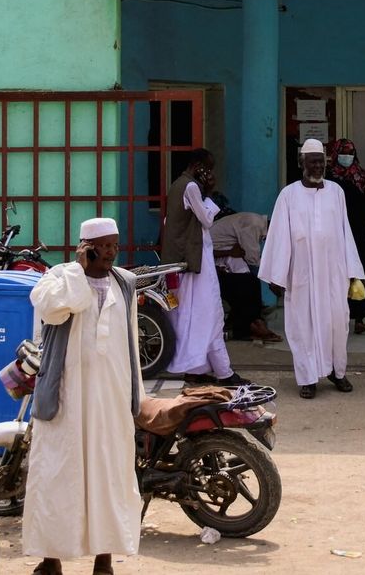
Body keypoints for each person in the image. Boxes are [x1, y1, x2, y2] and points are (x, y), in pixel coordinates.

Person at [24, 217, 144, 575]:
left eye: (114, 246)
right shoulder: (59, 278)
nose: (110, 253)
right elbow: (53, 309)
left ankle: (104, 559)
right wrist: (79, 269)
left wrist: (134, 395)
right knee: (59, 475)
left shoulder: (125, 283)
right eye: (103, 246)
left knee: (108, 476)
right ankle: (50, 560)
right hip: (67, 399)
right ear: (85, 245)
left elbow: (131, 344)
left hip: (110, 399)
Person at [259, 139, 365, 399]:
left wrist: (353, 271)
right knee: (302, 327)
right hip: (302, 274)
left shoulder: (336, 192)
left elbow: (345, 232)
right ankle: (307, 378)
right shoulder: (289, 194)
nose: (318, 166)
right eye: (313, 161)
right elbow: (279, 236)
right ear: (301, 163)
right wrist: (277, 275)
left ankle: (336, 372)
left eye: (322, 161)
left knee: (337, 324)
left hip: (333, 273)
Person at [160, 148, 246, 386]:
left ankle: (199, 368)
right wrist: (209, 194)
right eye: (208, 167)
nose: (210, 173)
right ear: (198, 165)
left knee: (194, 316)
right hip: (197, 260)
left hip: (190, 260)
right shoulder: (191, 187)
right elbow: (206, 220)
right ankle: (223, 372)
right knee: (208, 315)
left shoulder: (178, 184)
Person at [326, 139, 365, 334]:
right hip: (335, 234)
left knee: (358, 274)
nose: (347, 157)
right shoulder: (329, 177)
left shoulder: (363, 176)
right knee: (336, 276)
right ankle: (337, 317)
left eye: (351, 153)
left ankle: (359, 317)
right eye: (344, 152)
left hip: (358, 234)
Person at [210, 211, 281, 343]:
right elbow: (252, 258)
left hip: (222, 259)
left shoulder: (256, 222)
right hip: (211, 262)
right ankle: (251, 325)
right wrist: (272, 280)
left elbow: (249, 257)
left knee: (248, 283)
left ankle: (252, 323)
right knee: (249, 283)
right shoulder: (253, 225)